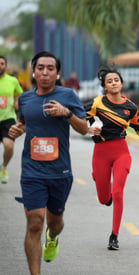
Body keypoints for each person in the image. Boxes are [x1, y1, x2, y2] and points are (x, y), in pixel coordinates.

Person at [8, 51, 88, 275]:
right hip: (32, 171)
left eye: (50, 68)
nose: (44, 72)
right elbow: (25, 122)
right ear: (33, 72)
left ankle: (52, 238)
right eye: (40, 68)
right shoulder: (25, 98)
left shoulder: (68, 96)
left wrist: (66, 114)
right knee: (35, 222)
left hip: (60, 172)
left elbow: (84, 128)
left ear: (57, 73)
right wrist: (18, 129)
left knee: (55, 223)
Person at [84, 64, 139, 250]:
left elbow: (137, 128)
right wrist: (90, 128)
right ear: (105, 86)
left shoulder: (131, 107)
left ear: (121, 84)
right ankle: (99, 178)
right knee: (104, 199)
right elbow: (81, 119)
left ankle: (114, 235)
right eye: (109, 81)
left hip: (121, 152)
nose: (113, 83)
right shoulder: (96, 103)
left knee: (118, 193)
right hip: (100, 152)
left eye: (116, 80)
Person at [0, 56, 24, 183]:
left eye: (2, 63)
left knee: (9, 146)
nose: (0, 65)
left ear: (6, 66)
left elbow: (20, 93)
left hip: (8, 118)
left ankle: (3, 166)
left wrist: (16, 102)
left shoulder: (12, 80)